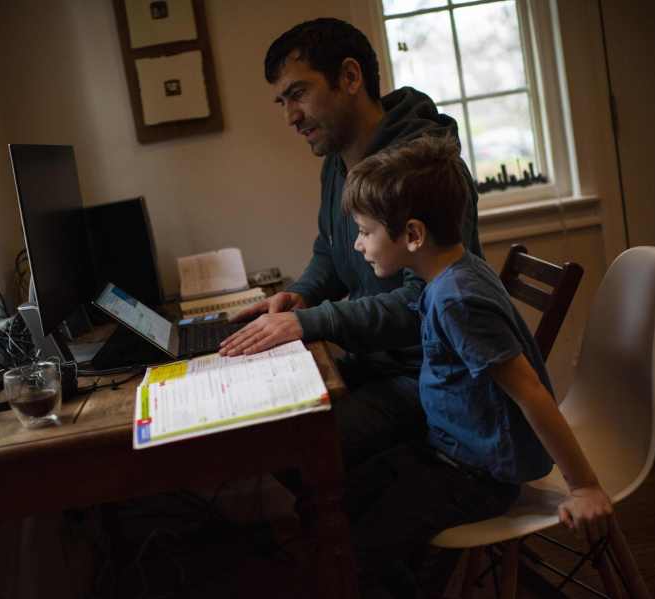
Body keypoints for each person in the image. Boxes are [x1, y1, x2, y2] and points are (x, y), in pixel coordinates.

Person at [340, 134, 613, 598]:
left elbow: (530, 392)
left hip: (477, 475)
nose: (358, 244)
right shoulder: (452, 273)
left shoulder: (458, 299)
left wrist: (584, 486)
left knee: (367, 547)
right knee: (348, 492)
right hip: (449, 452)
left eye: (365, 231)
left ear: (412, 235)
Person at [219, 18, 482, 471]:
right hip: (376, 362)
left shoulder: (425, 168)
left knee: (291, 451)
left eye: (298, 94)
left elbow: (426, 305)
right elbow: (329, 250)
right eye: (282, 101)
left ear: (350, 77)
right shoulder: (339, 161)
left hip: (428, 376)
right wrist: (302, 294)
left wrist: (310, 322)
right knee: (263, 425)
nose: (290, 117)